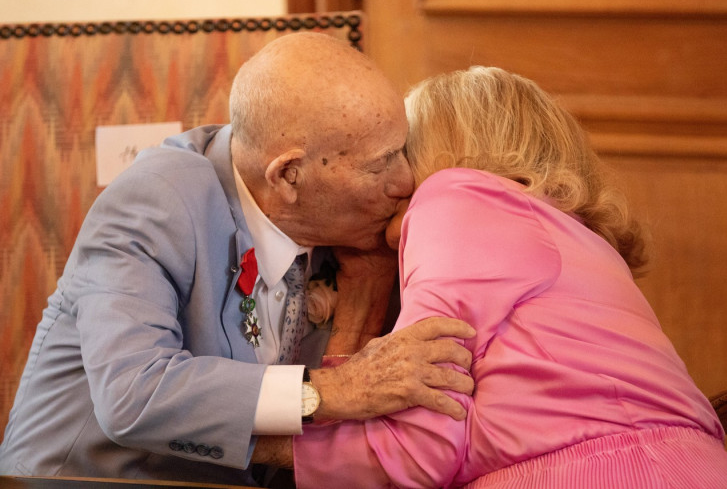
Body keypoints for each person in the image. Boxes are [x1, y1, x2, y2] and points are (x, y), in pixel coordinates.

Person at [0, 33, 476, 486]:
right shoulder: (158, 198)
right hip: (83, 482)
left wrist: (365, 297)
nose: (405, 180)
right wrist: (337, 389)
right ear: (289, 175)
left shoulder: (350, 231)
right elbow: (133, 394)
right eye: (382, 163)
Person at [276, 66, 727, 488]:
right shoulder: (575, 238)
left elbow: (420, 446)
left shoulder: (456, 196)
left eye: (401, 153)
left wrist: (242, 438)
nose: (395, 179)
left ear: (441, 151)